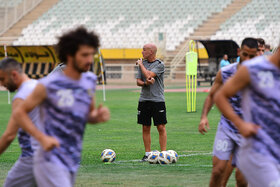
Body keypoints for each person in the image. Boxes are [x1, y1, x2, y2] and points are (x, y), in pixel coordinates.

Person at [13, 26, 110, 187]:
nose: (89, 60)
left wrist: (96, 117)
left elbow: (86, 115)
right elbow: (19, 113)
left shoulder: (89, 81)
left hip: (72, 156)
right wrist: (41, 137)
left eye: (91, 55)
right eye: (84, 55)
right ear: (70, 55)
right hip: (48, 157)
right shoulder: (47, 85)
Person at [214, 41, 280, 187]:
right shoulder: (253, 69)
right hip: (259, 149)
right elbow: (220, 96)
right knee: (219, 171)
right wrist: (240, 124)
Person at [198, 38, 258, 187]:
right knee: (218, 171)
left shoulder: (261, 76)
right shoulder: (225, 73)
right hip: (227, 127)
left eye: (252, 56)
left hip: (248, 130)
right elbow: (212, 95)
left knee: (242, 179)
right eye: (245, 55)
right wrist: (204, 117)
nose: (248, 59)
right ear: (239, 52)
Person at [0, 58, 39, 187]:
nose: (1, 84)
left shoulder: (21, 97)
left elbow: (9, 135)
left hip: (32, 158)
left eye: (2, 79)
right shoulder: (37, 86)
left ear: (14, 75)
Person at [136, 43, 167, 161]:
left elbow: (149, 74)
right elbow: (138, 81)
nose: (142, 52)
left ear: (151, 52)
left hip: (157, 100)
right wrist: (145, 83)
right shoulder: (142, 63)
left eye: (144, 50)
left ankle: (163, 153)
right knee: (145, 127)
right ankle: (147, 153)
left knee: (161, 127)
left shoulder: (160, 65)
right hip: (144, 100)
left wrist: (140, 65)